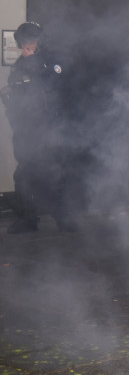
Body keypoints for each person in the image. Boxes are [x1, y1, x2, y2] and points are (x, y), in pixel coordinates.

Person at [3, 22, 71, 233]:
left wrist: (32, 60)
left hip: (49, 127)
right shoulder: (19, 64)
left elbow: (54, 82)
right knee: (24, 174)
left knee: (54, 172)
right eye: (23, 41)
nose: (27, 44)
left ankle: (64, 218)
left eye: (31, 40)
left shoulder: (50, 60)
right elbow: (17, 90)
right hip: (26, 128)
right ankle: (28, 219)